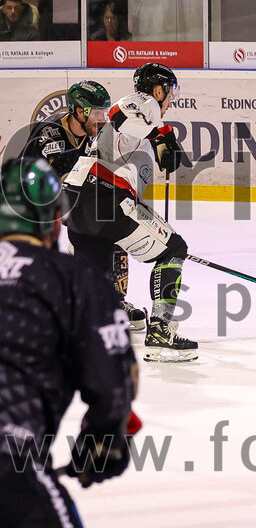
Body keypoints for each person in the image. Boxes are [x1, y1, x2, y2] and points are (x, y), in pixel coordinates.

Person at [0, 157, 137, 527]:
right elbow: (114, 387)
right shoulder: (72, 278)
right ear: (54, 221)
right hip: (10, 465)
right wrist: (103, 441)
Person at [63, 63, 197, 363]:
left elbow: (125, 137)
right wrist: (161, 132)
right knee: (174, 249)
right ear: (159, 89)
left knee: (97, 277)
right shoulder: (144, 102)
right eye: (169, 92)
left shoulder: (143, 122)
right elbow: (119, 114)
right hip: (101, 197)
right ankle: (160, 333)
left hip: (76, 202)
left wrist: (158, 139)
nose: (170, 100)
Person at [20, 80, 148, 332]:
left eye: (104, 112)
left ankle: (114, 300)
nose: (102, 119)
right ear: (79, 111)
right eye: (97, 113)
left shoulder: (100, 132)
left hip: (76, 200)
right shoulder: (49, 135)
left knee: (112, 227)